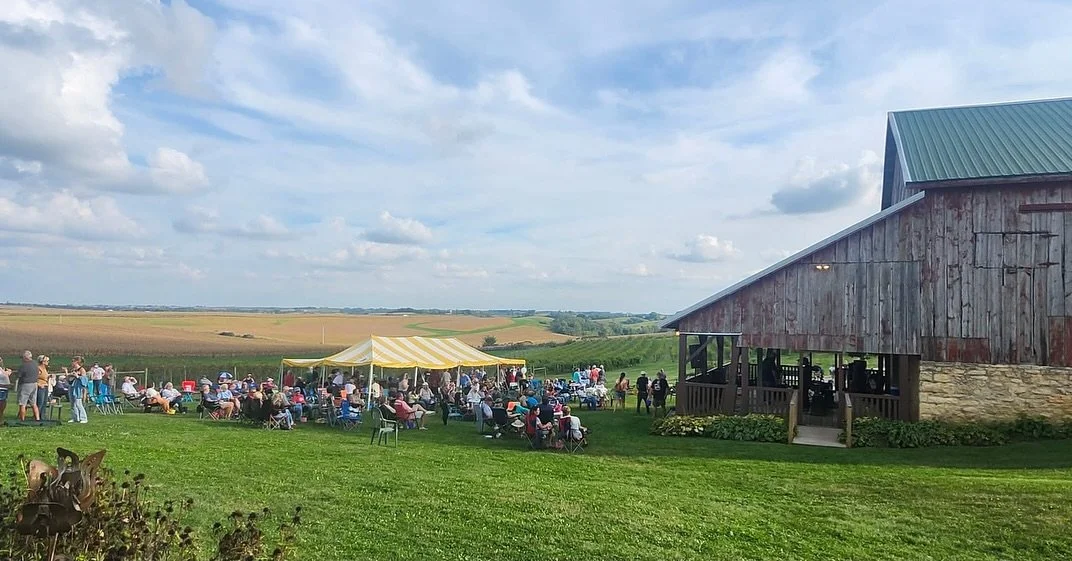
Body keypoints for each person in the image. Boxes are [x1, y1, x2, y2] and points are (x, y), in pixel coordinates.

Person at [16, 351, 40, 421]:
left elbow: (19, 375)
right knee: (34, 403)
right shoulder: (35, 363)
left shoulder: (24, 365)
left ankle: (22, 419)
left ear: (25, 358)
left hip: (25, 384)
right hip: (35, 384)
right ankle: (37, 419)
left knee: (22, 403)